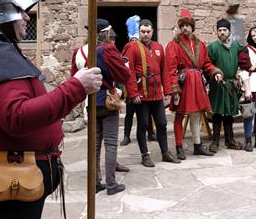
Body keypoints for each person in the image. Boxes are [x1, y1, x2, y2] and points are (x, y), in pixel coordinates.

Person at [0, 0, 102, 219]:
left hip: (14, 173)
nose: (28, 18)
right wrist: (76, 87)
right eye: (21, 11)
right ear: (1, 14)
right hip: (8, 177)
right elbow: (16, 116)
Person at [71, 19, 130, 194]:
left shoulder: (81, 52)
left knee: (95, 145)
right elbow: (124, 75)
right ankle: (111, 184)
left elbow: (74, 79)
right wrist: (124, 65)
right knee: (111, 144)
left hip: (91, 101)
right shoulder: (107, 49)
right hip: (107, 100)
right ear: (106, 33)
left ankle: (95, 182)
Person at [165, 9, 223, 159]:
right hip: (183, 83)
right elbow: (170, 68)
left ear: (192, 26)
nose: (185, 28)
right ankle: (179, 147)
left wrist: (216, 72)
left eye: (187, 25)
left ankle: (197, 145)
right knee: (180, 115)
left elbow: (207, 64)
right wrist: (174, 87)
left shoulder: (200, 44)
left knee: (196, 114)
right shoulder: (174, 45)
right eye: (182, 25)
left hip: (197, 82)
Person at [123, 19, 180, 167]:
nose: (146, 34)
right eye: (143, 32)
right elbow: (129, 72)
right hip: (142, 95)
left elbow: (164, 70)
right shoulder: (133, 47)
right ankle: (145, 155)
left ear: (152, 31)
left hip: (156, 95)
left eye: (148, 32)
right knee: (143, 125)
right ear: (139, 32)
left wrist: (167, 90)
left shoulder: (158, 47)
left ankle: (165, 152)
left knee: (162, 123)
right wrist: (133, 93)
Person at [207, 18, 244, 153]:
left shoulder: (236, 47)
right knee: (217, 113)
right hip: (217, 85)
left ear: (229, 31)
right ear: (217, 32)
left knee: (229, 113)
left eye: (224, 30)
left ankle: (230, 140)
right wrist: (214, 74)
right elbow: (207, 66)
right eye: (220, 30)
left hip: (231, 84)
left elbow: (244, 61)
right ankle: (215, 141)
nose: (222, 32)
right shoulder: (212, 47)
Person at [121, 15, 157, 146]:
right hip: (132, 86)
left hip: (144, 86)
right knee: (130, 112)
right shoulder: (129, 46)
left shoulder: (148, 47)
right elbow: (125, 66)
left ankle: (151, 133)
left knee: (148, 113)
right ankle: (126, 135)